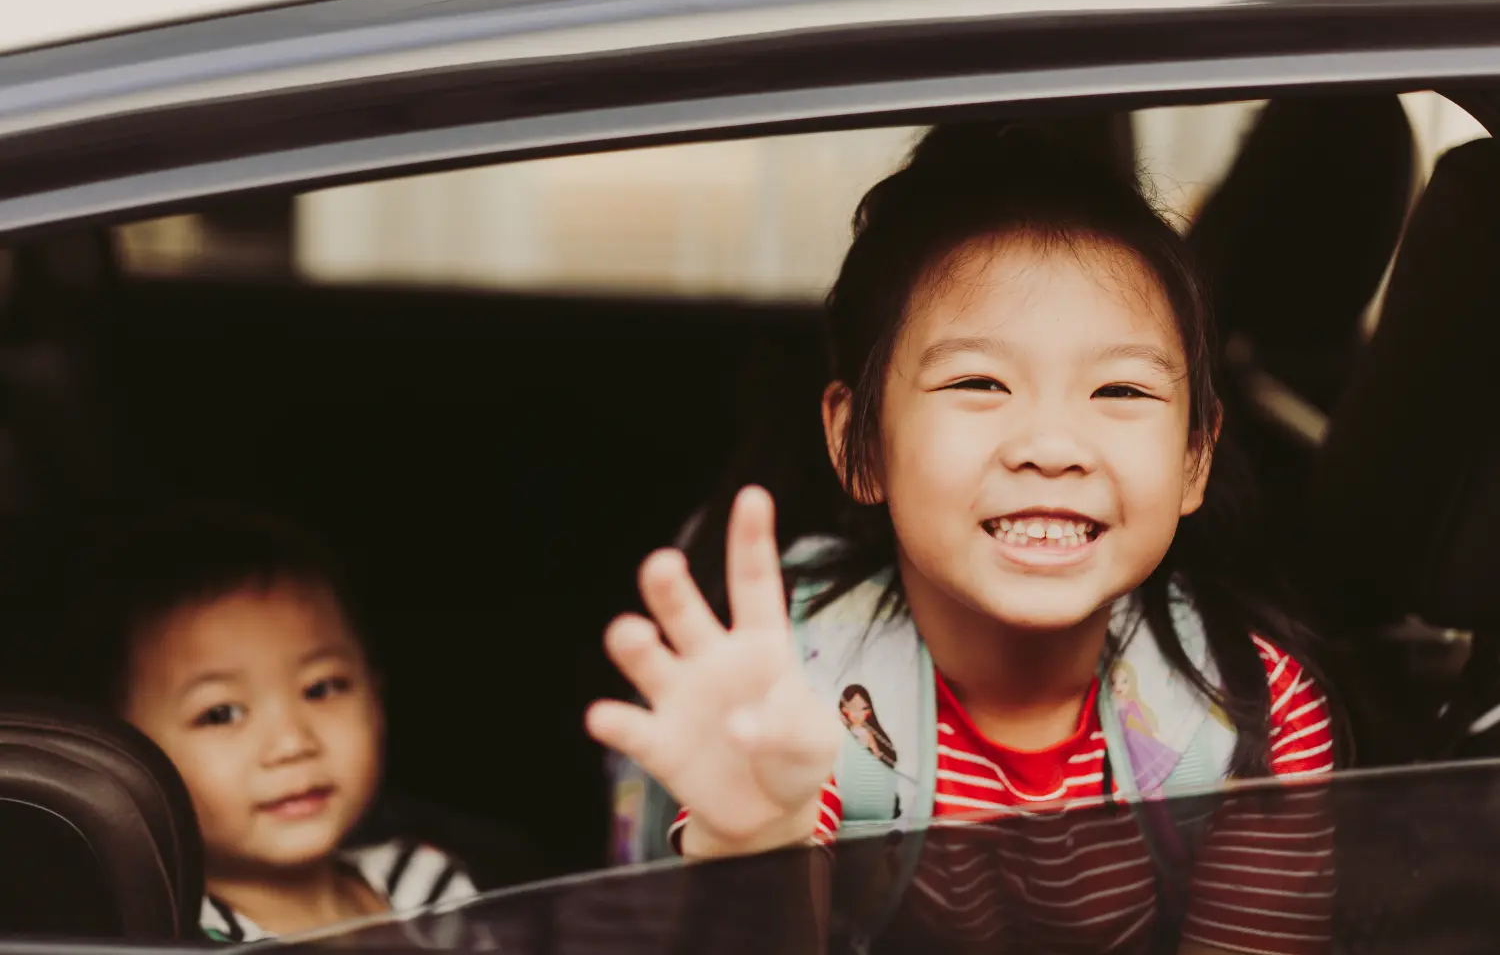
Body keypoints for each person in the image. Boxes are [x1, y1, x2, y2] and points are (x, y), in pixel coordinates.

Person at [586, 125, 1337, 954]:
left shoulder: (1249, 712)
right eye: (980, 382)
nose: (1052, 446)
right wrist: (756, 843)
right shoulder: (793, 691)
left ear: (1196, 458)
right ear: (860, 443)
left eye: (1119, 388)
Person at [76, 506, 477, 943]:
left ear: (376, 696)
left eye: (321, 688)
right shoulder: (185, 940)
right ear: (128, 760)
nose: (292, 743)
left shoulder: (428, 886)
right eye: (221, 713)